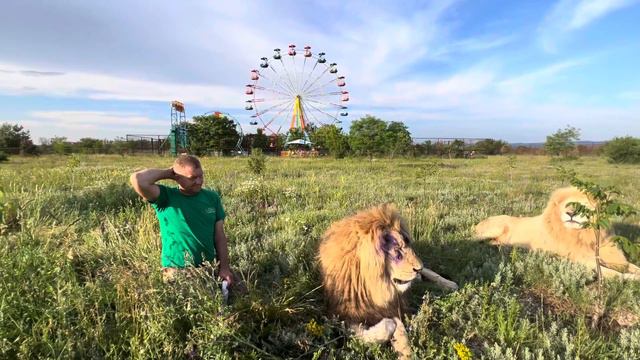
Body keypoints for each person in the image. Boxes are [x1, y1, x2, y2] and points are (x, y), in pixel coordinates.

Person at [129, 154, 233, 286]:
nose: (199, 181)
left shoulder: (212, 198)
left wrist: (224, 268)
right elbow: (138, 179)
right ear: (177, 177)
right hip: (177, 270)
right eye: (192, 178)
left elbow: (219, 236)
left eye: (201, 175)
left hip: (209, 267)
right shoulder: (166, 197)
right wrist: (169, 172)